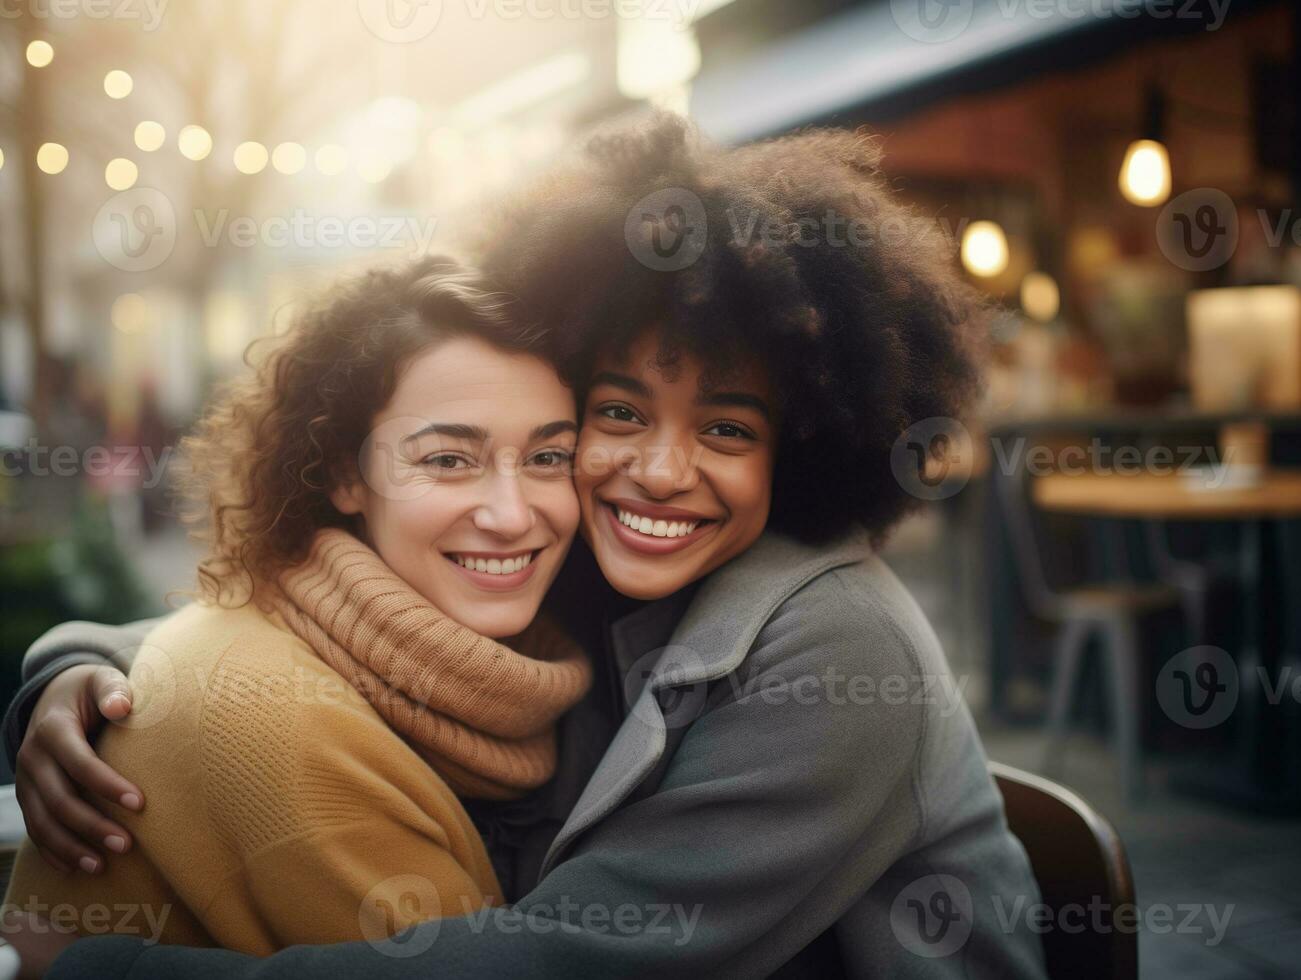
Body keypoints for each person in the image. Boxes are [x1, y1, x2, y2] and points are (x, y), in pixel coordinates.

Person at [4, 117, 1047, 978]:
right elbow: (318, 624)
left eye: (727, 429)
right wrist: (82, 663)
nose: (660, 470)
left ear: (803, 451)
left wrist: (102, 971)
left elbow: (567, 962)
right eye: (617, 411)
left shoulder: (838, 644)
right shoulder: (593, 563)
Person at [2, 257, 592, 954]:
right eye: (446, 460)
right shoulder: (277, 717)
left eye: (548, 458)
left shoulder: (513, 661)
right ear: (345, 473)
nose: (510, 513)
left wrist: (72, 656)